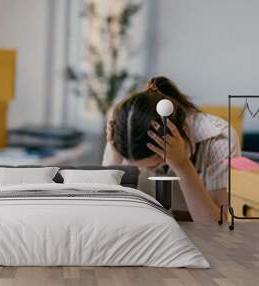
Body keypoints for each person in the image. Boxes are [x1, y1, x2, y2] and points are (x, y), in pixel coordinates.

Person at [103, 76, 241, 223]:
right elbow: (101, 214)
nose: (145, 169)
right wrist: (114, 159)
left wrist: (182, 164)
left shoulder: (218, 139)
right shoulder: (125, 137)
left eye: (154, 164)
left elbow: (218, 227)